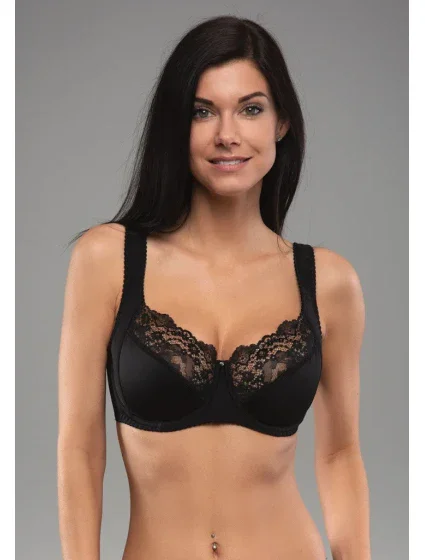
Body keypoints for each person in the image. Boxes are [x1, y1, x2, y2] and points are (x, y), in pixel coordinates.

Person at [57, 15, 371, 560]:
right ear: (176, 125)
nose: (227, 134)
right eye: (202, 111)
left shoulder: (329, 281)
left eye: (251, 109)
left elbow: (340, 453)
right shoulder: (108, 260)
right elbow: (80, 452)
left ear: (281, 123)